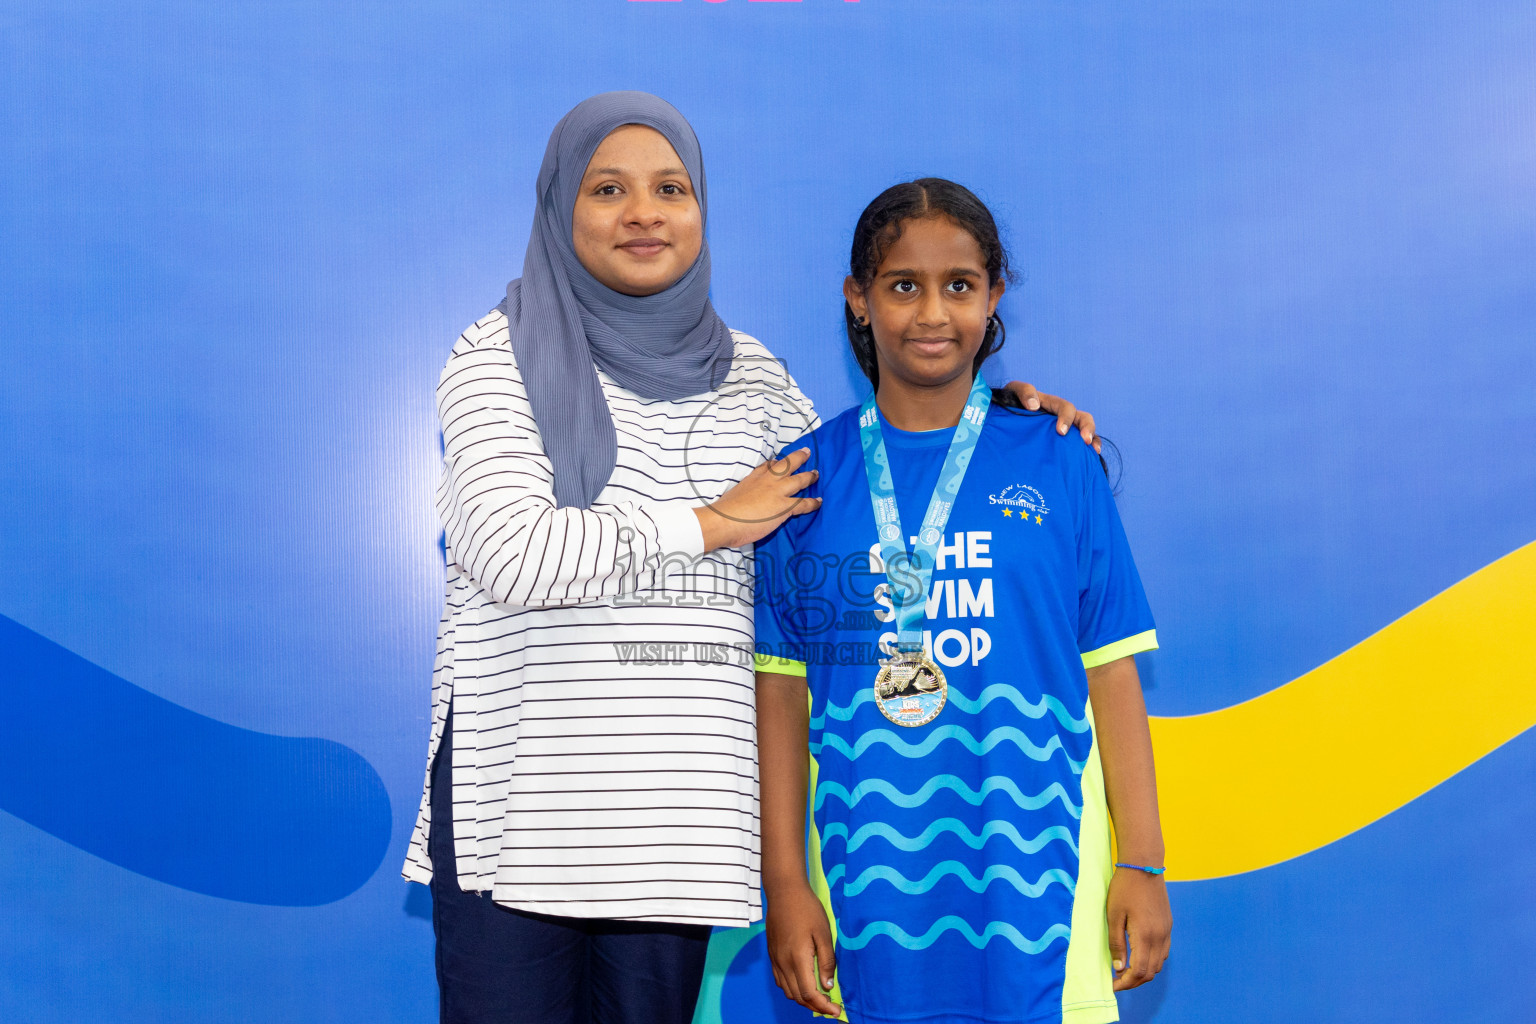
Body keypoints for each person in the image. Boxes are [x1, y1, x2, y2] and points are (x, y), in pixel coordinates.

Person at [401, 92, 1100, 1024]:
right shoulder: (497, 358)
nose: (644, 213)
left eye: (671, 188)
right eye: (609, 189)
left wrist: (999, 411)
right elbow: (510, 552)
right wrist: (710, 522)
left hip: (675, 829)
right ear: (561, 205)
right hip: (519, 824)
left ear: (701, 212)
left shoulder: (757, 381)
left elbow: (866, 487)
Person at [754, 178, 1171, 1024]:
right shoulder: (804, 483)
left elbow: (1112, 671)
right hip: (868, 880)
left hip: (1043, 877)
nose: (932, 312)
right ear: (859, 301)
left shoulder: (1059, 461)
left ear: (993, 298)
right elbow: (782, 692)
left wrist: (1145, 864)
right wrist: (788, 882)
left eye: (959, 286)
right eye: (903, 285)